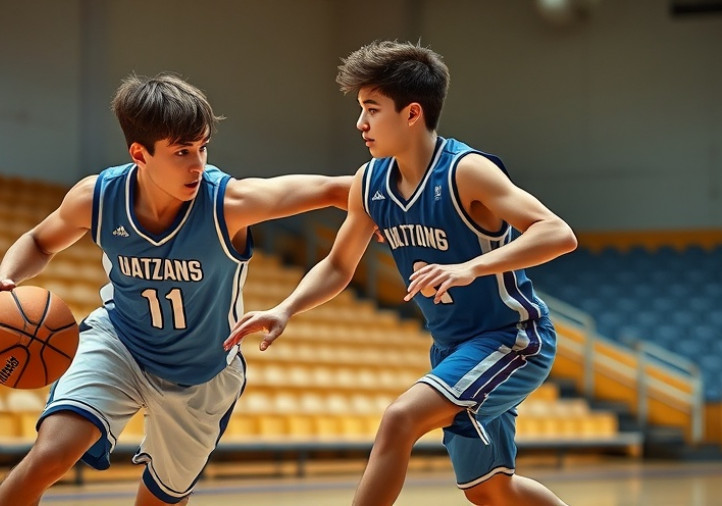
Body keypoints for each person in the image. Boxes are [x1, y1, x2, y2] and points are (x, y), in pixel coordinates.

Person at [0, 73, 351, 506]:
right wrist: (6, 277)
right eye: (182, 151)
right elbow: (39, 240)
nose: (197, 164)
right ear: (140, 153)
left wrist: (390, 211)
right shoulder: (96, 198)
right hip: (121, 344)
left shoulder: (229, 203)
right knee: (49, 457)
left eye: (202, 147)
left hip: (202, 372)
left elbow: (338, 189)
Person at [224, 40, 577, 506]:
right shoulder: (371, 182)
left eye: (372, 108)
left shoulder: (467, 172)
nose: (360, 123)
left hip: (512, 337)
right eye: (360, 109)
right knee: (489, 490)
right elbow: (337, 263)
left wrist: (471, 266)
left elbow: (558, 232)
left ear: (412, 113)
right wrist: (287, 307)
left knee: (400, 419)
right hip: (453, 346)